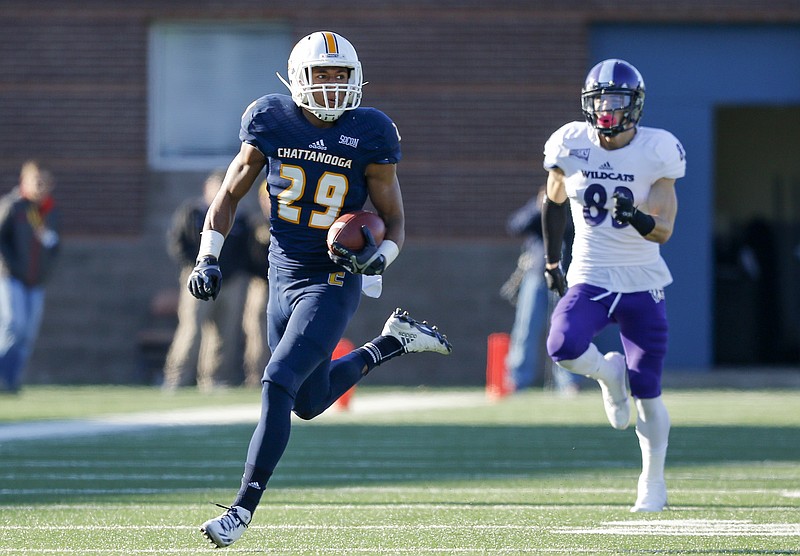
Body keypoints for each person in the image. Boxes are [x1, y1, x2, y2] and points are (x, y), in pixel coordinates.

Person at [189, 31, 452, 548]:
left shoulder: (371, 132)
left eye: (340, 76)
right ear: (296, 79)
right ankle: (392, 342)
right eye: (321, 76)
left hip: (333, 276)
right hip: (281, 271)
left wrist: (379, 257)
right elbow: (229, 192)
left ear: (355, 80)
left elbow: (394, 222)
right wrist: (207, 256)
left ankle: (242, 509)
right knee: (305, 402)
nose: (332, 87)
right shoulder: (270, 119)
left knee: (276, 381)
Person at [540, 59, 686, 512]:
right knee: (561, 345)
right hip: (591, 273)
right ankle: (607, 373)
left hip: (642, 281)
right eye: (600, 100)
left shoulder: (657, 149)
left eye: (617, 100)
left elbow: (664, 229)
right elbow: (553, 201)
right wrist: (550, 261)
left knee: (648, 390)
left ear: (635, 105)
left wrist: (638, 217)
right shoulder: (571, 143)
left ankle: (653, 483)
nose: (607, 109)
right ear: (588, 103)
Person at [162, 170, 252, 391]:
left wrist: (234, 271)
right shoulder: (193, 212)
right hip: (198, 276)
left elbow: (245, 250)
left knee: (225, 331)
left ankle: (215, 378)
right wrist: (193, 266)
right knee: (191, 328)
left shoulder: (238, 217)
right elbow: (177, 242)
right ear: (206, 188)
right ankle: (177, 377)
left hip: (229, 281)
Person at [501, 186, 579, 394]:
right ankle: (517, 380)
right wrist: (539, 207)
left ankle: (567, 382)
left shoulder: (574, 208)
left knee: (564, 330)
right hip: (536, 275)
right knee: (526, 328)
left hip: (565, 278)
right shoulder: (539, 206)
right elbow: (515, 225)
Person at [0, 161, 60, 394]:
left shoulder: (49, 211)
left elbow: (54, 245)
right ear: (24, 181)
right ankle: (2, 376)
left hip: (36, 281)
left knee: (28, 334)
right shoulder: (13, 207)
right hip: (11, 278)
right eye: (37, 181)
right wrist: (11, 266)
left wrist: (46, 269)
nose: (41, 186)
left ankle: (12, 380)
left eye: (46, 182)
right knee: (14, 327)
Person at [242, 182, 271, 387]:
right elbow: (249, 255)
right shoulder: (255, 223)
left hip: (288, 282)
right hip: (261, 283)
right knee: (256, 331)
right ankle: (255, 376)